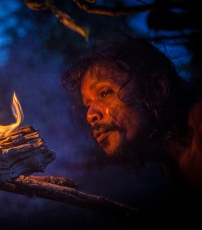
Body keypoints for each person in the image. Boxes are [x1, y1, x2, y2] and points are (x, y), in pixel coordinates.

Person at [62, 37, 202, 194]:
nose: (90, 115)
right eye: (88, 105)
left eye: (105, 92)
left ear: (157, 88)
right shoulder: (169, 166)